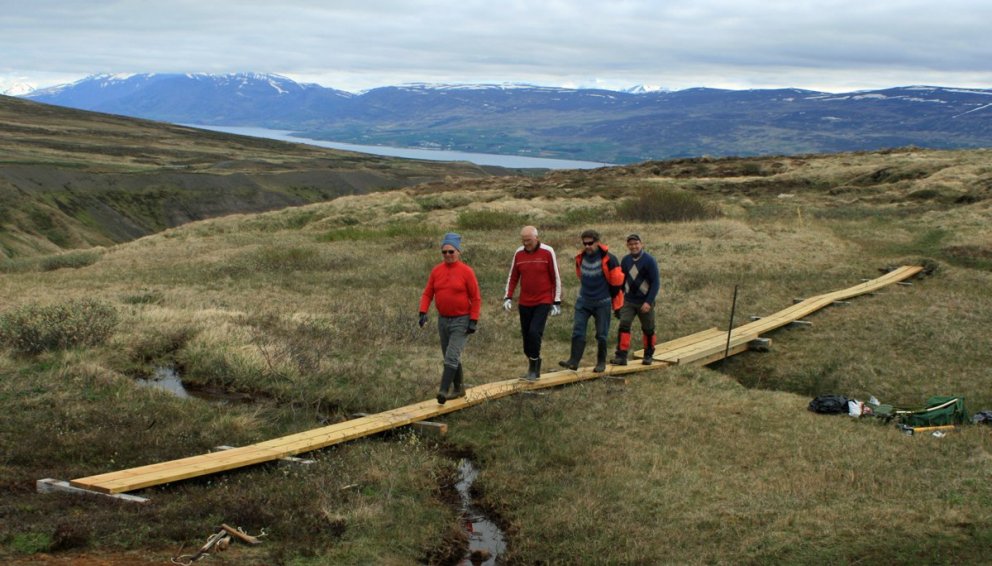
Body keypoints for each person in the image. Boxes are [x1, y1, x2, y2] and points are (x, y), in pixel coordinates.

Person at [419, 232, 481, 404]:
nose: (447, 255)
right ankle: (459, 388)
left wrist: (473, 320)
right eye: (444, 252)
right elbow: (427, 293)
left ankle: (443, 391)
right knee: (449, 354)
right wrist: (422, 311)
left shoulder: (467, 272)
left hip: (462, 320)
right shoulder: (436, 271)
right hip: (443, 320)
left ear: (458, 252)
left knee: (451, 356)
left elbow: (476, 298)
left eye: (451, 252)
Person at [559, 229, 624, 373]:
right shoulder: (580, 258)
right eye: (585, 243)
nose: (587, 246)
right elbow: (580, 276)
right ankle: (573, 361)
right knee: (578, 331)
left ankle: (601, 363)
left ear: (597, 242)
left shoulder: (610, 259)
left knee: (601, 334)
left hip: (602, 303)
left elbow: (617, 284)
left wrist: (617, 305)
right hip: (583, 302)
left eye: (590, 243)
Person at [503, 226, 563, 381]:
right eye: (523, 240)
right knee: (526, 340)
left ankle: (533, 370)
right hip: (524, 302)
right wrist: (508, 297)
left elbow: (555, 277)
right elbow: (513, 276)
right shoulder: (519, 253)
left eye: (528, 240)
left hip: (543, 300)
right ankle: (534, 363)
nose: (526, 243)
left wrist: (556, 301)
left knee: (534, 333)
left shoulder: (547, 251)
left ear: (536, 238)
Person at [611, 233, 661, 366]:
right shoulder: (625, 260)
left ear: (641, 244)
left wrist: (648, 302)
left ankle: (648, 355)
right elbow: (621, 282)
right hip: (628, 300)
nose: (633, 246)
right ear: (627, 246)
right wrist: (618, 301)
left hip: (645, 301)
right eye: (631, 244)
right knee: (624, 325)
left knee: (648, 328)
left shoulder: (649, 260)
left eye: (636, 244)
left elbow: (655, 283)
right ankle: (621, 356)